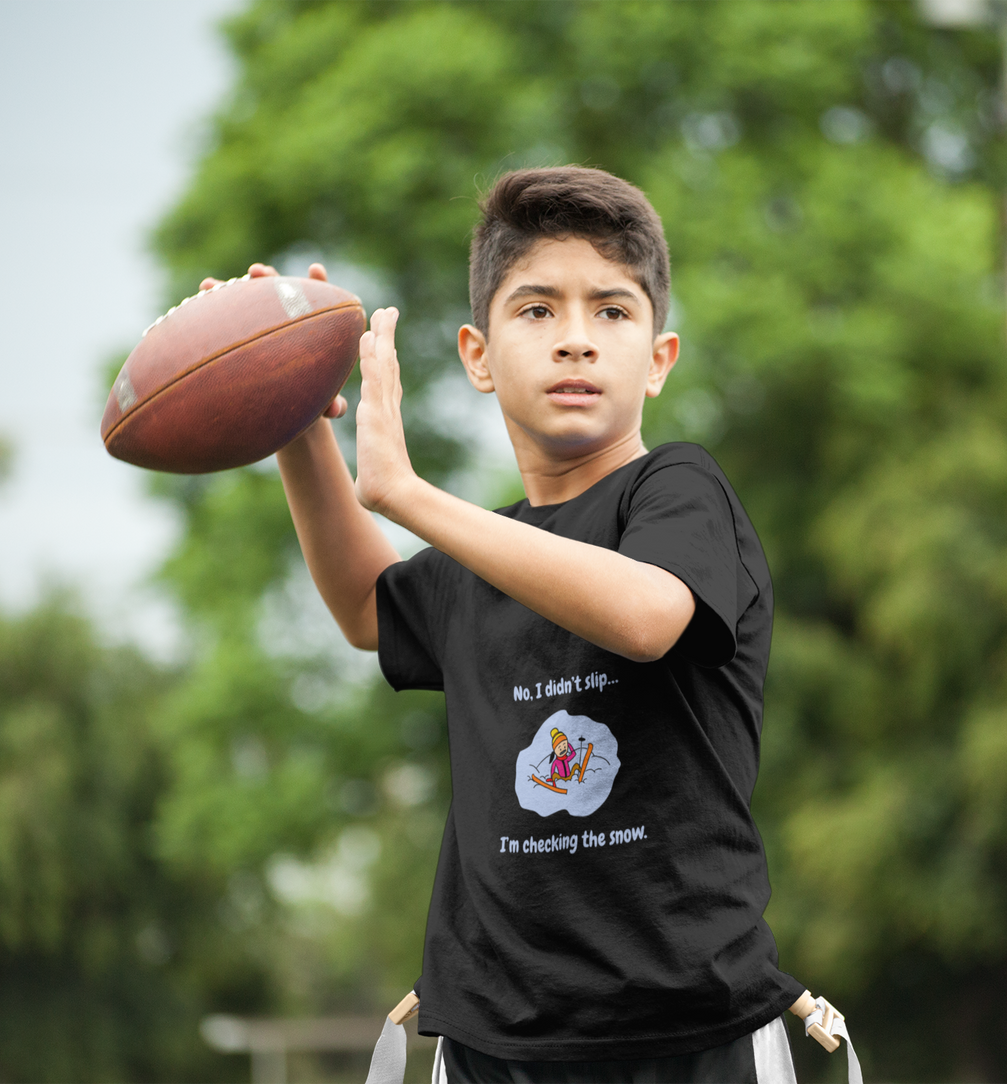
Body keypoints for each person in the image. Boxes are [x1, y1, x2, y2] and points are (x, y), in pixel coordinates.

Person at [214, 167, 811, 1083]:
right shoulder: (493, 551)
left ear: (658, 358)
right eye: (537, 310)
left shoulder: (677, 489)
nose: (576, 339)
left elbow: (650, 614)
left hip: (687, 1035)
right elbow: (366, 606)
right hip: (496, 1043)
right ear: (477, 355)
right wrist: (295, 417)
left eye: (611, 311)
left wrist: (408, 495)